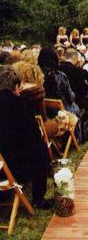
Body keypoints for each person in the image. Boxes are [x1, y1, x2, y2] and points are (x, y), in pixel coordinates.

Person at [0, 65, 51, 209]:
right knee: (40, 150)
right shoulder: (22, 104)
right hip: (14, 162)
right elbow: (33, 136)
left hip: (3, 160)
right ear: (16, 85)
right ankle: (38, 199)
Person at [59, 48, 88, 142]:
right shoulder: (78, 71)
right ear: (75, 57)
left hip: (59, 102)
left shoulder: (57, 68)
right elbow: (83, 90)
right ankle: (83, 127)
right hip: (73, 101)